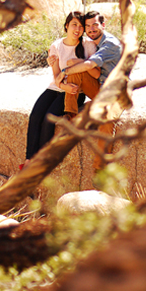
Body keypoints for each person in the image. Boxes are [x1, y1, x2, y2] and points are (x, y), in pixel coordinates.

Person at [20, 11, 99, 171]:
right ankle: (29, 160)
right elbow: (56, 76)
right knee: (35, 116)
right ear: (66, 26)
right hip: (57, 87)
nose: (77, 29)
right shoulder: (56, 46)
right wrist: (63, 86)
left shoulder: (88, 45)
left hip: (75, 92)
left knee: (49, 119)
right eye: (74, 25)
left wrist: (80, 67)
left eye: (81, 26)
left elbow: (94, 72)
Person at [55, 10, 123, 171]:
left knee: (106, 119)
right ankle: (71, 115)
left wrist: (64, 73)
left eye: (95, 25)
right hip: (100, 88)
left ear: (103, 25)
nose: (91, 29)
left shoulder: (110, 44)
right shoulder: (93, 43)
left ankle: (100, 169)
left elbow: (89, 65)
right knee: (76, 68)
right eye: (88, 26)